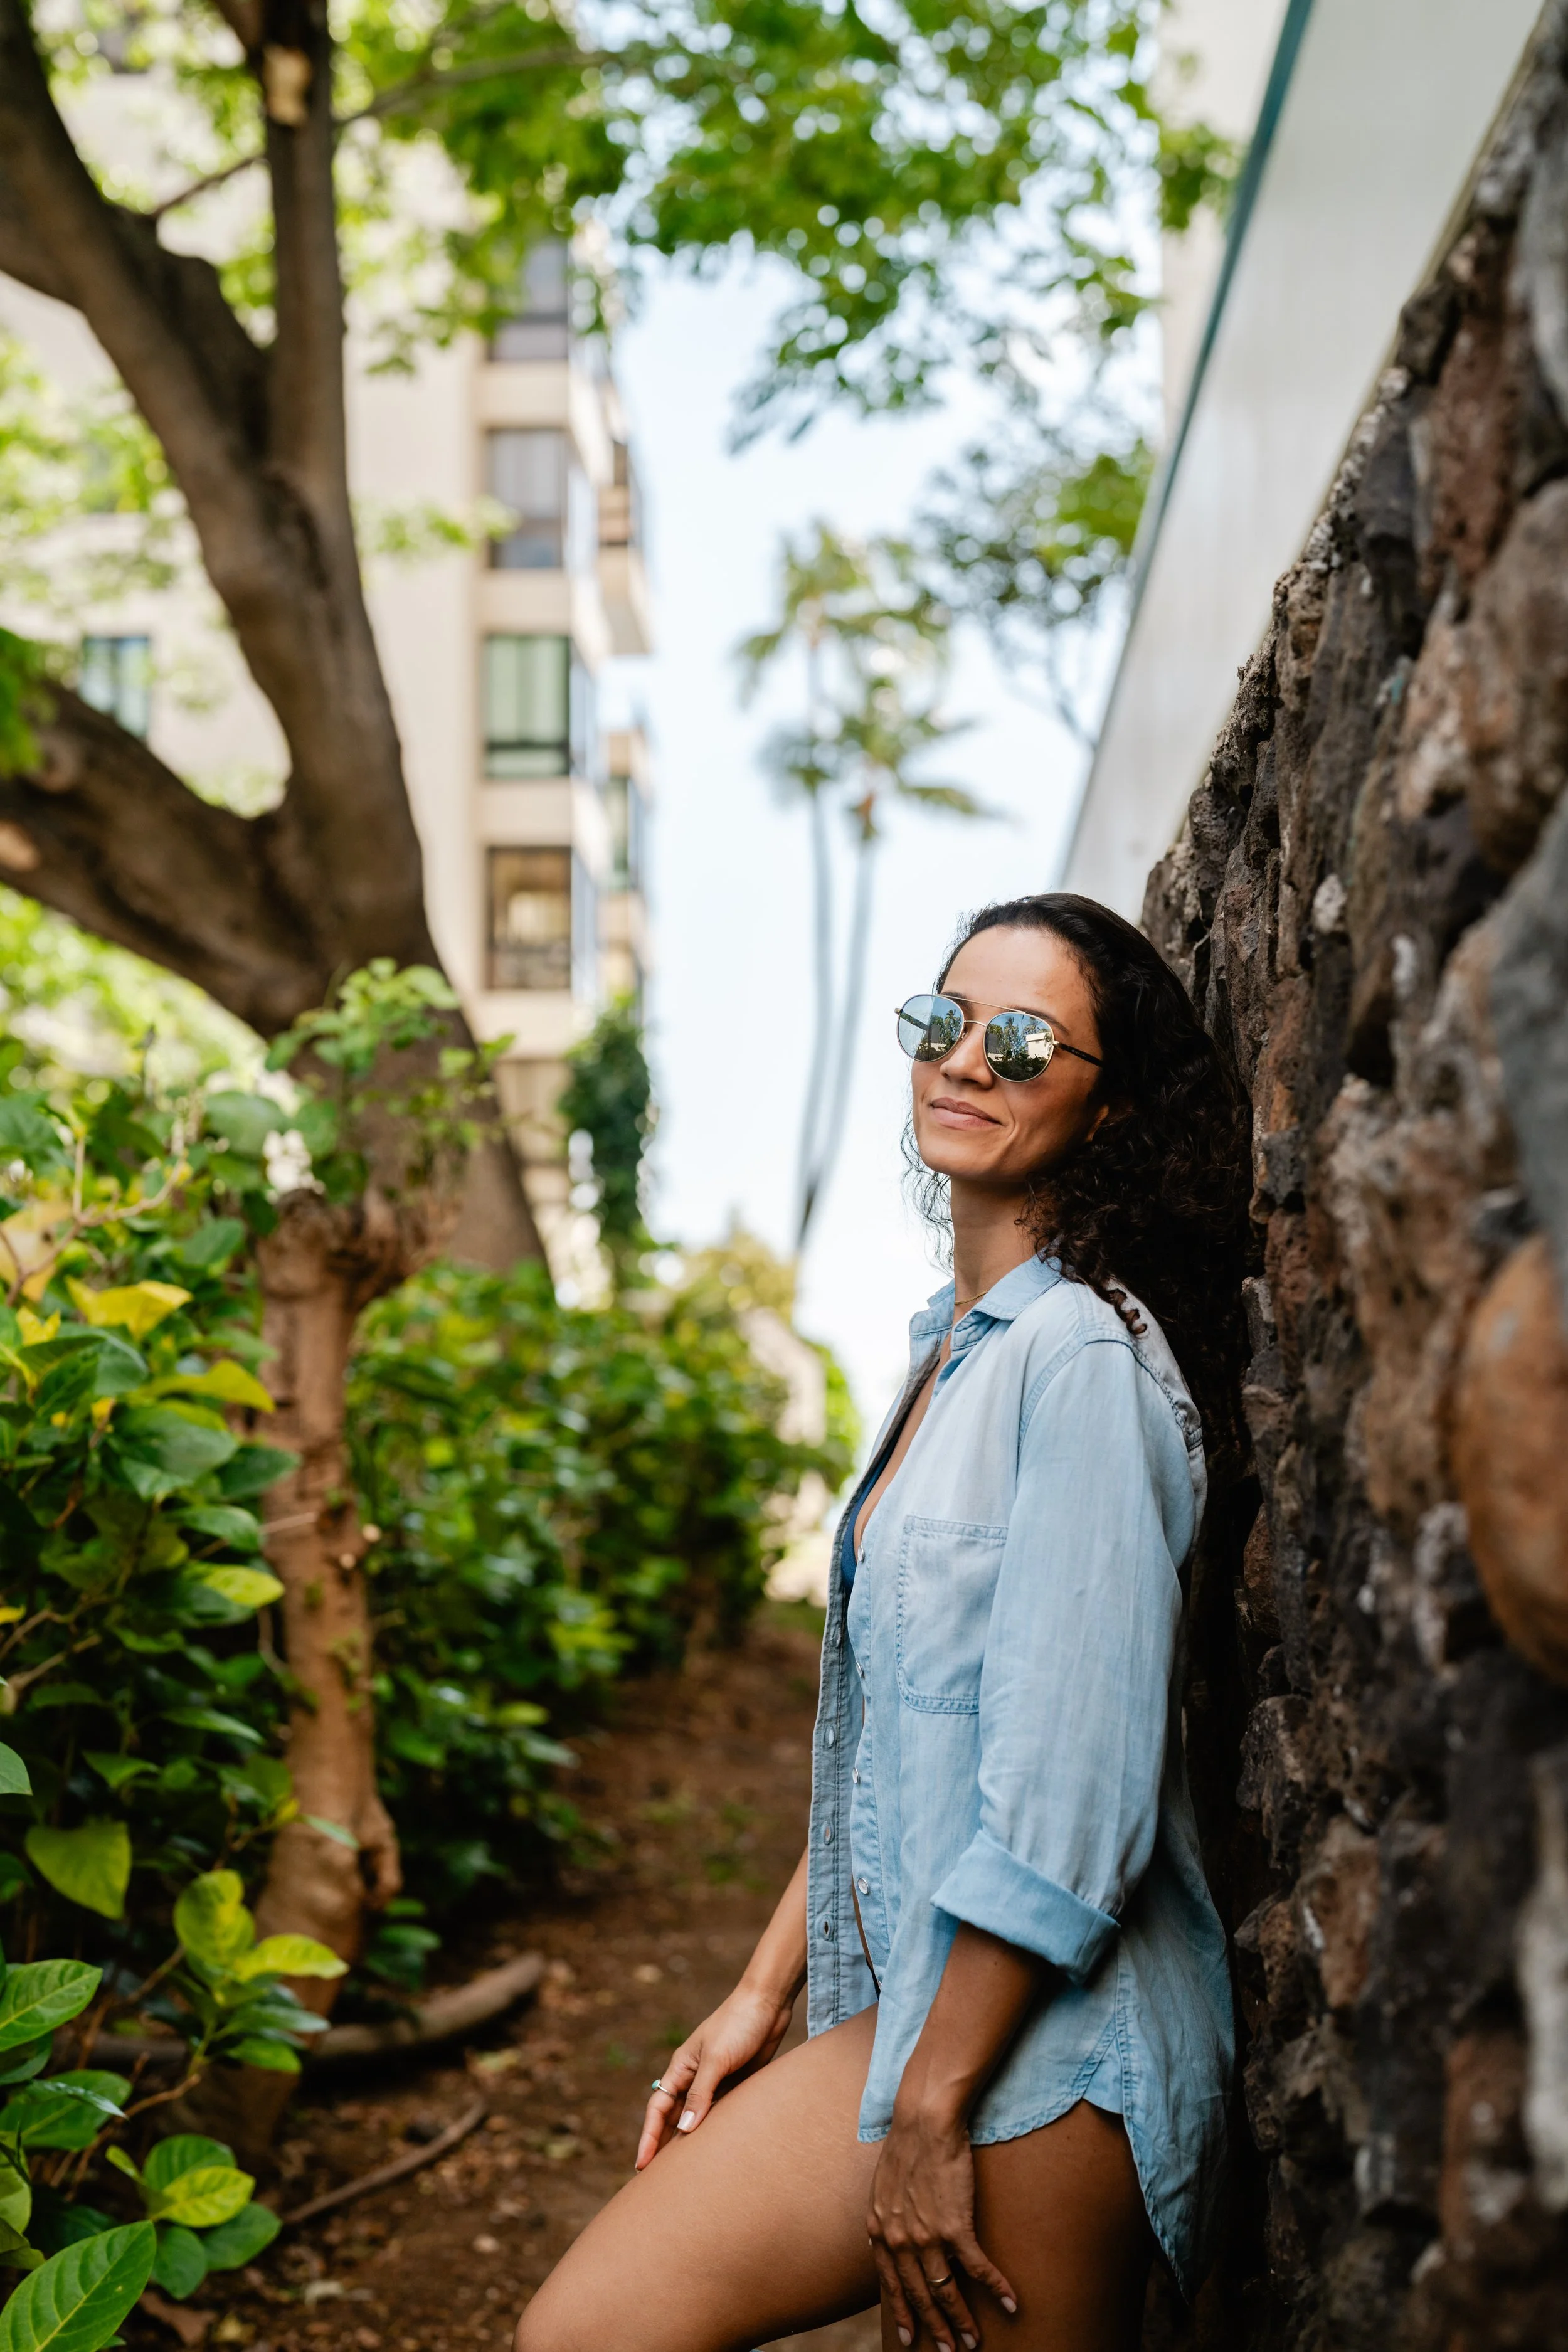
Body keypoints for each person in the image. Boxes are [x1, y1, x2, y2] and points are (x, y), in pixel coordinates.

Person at [514, 893, 1250, 2352]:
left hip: (1051, 2054)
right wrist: (755, 1993)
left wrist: (929, 2113)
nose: (966, 1060)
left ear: (1107, 1115)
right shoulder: (947, 1354)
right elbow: (892, 1739)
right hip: (930, 2011)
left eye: (1025, 1040)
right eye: (943, 1021)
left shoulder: (1081, 1362)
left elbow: (1061, 1807)